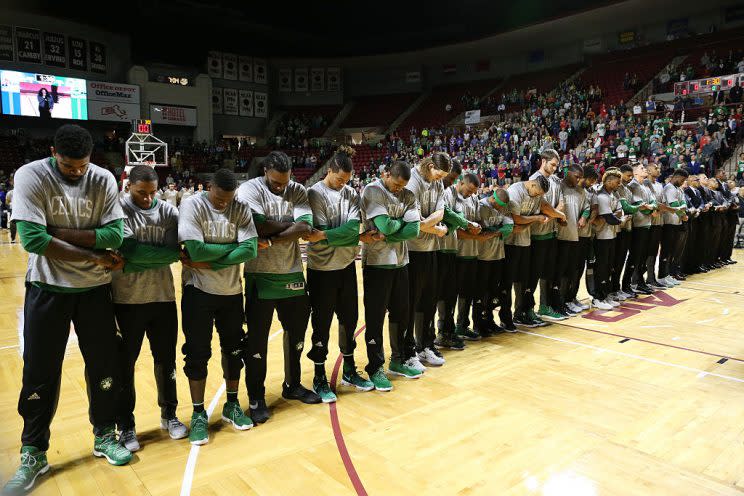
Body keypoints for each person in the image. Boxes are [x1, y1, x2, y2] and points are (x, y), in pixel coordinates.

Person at [4, 125, 132, 494]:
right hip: (47, 288)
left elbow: (115, 236)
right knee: (40, 370)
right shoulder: (30, 175)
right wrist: (93, 255)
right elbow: (31, 239)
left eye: (81, 166)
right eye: (67, 165)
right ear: (52, 152)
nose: (76, 172)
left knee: (104, 366)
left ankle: (104, 434)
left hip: (94, 291)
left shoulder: (103, 178)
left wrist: (54, 232)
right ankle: (33, 450)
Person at [109, 165, 187, 453]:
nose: (147, 198)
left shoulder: (168, 211)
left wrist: (131, 260)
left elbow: (177, 252)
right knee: (124, 365)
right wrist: (153, 255)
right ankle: (125, 425)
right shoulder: (117, 207)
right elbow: (128, 248)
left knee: (166, 361)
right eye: (141, 192)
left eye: (152, 192)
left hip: (163, 297)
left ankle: (170, 414)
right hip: (126, 300)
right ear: (128, 186)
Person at [239, 151, 321, 424]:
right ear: (265, 171)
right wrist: (290, 228)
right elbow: (258, 226)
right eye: (275, 182)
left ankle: (293, 384)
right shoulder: (249, 189)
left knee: (297, 333)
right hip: (259, 275)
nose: (280, 187)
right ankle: (256, 396)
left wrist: (274, 236)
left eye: (284, 182)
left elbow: (306, 227)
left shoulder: (297, 189)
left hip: (293, 273)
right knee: (256, 341)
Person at [179, 168, 259, 445]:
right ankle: (198, 413)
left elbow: (250, 249)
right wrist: (230, 249)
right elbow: (194, 250)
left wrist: (211, 260)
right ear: (208, 186)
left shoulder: (240, 207)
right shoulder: (192, 204)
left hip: (232, 292)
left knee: (235, 350)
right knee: (198, 353)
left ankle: (232, 405)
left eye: (229, 199)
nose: (224, 204)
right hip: (198, 291)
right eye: (219, 198)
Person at [304, 146, 378, 402]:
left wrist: (330, 235)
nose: (343, 184)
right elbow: (333, 234)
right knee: (321, 326)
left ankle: (348, 370)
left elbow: (347, 230)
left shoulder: (351, 194)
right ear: (329, 170)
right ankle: (319, 376)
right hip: (322, 271)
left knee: (349, 321)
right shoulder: (314, 193)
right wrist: (345, 236)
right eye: (339, 179)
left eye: (346, 180)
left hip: (346, 268)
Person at [360, 160, 421, 387]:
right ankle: (375, 367)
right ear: (386, 174)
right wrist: (398, 223)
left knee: (401, 313)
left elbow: (413, 230)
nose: (398, 190)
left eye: (402, 186)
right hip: (377, 263)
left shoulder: (408, 195)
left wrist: (390, 230)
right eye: (395, 184)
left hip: (401, 262)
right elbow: (383, 226)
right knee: (375, 318)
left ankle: (397, 360)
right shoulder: (373, 190)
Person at [404, 152, 451, 369]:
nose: (439, 179)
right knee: (411, 303)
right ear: (430, 166)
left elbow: (440, 212)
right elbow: (416, 224)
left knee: (429, 300)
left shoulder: (438, 183)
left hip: (431, 248)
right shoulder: (412, 181)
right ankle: (408, 350)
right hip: (412, 250)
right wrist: (436, 229)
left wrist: (431, 224)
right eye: (438, 174)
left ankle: (425, 345)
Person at [435, 160, 481, 349]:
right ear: (460, 182)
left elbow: (456, 222)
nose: (470, 194)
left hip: (452, 249)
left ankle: (450, 331)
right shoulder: (446, 193)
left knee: (451, 294)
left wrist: (464, 225)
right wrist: (465, 224)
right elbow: (445, 218)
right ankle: (441, 334)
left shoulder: (470, 199)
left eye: (473, 192)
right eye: (468, 190)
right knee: (443, 295)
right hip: (442, 248)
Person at [504, 174, 553, 328]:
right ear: (532, 184)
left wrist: (530, 220)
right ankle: (505, 318)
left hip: (525, 241)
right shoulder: (515, 191)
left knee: (522, 279)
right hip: (510, 242)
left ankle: (520, 314)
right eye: (537, 192)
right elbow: (516, 219)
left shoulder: (537, 193)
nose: (538, 197)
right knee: (508, 281)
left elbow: (527, 219)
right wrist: (536, 218)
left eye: (540, 195)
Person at [527, 149, 567, 323]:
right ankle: (526, 309)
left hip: (551, 232)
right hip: (536, 234)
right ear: (543, 161)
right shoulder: (533, 180)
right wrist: (556, 215)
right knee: (532, 275)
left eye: (557, 166)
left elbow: (562, 203)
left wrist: (553, 215)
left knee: (547, 274)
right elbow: (541, 205)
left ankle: (544, 306)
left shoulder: (556, 182)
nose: (555, 168)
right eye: (552, 164)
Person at [475, 188, 515, 333]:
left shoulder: (503, 207)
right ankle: (479, 324)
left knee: (493, 291)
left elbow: (509, 226)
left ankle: (489, 320)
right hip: (482, 256)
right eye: (500, 207)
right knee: (481, 292)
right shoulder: (480, 206)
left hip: (498, 255)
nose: (502, 210)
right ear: (493, 199)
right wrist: (497, 229)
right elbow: (481, 230)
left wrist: (495, 231)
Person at [554, 164, 588, 315]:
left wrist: (584, 217)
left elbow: (587, 207)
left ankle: (565, 301)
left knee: (569, 272)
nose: (579, 180)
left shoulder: (581, 191)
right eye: (576, 176)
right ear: (568, 173)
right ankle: (556, 304)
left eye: (580, 177)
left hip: (575, 236)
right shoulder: (558, 187)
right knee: (558, 274)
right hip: (560, 237)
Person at [567, 165, 598, 313]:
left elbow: (589, 209)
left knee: (579, 269)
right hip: (571, 236)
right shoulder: (569, 189)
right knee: (570, 270)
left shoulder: (586, 192)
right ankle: (566, 299)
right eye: (590, 180)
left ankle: (572, 297)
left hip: (584, 235)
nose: (592, 184)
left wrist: (586, 218)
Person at [592, 168, 623, 310]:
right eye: (617, 182)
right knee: (601, 267)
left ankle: (605, 295)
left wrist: (616, 215)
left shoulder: (613, 195)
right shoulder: (602, 196)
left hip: (612, 235)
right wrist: (621, 220)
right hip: (602, 236)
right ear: (608, 181)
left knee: (609, 267)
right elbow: (609, 218)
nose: (619, 184)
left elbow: (619, 211)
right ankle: (597, 297)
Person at [624, 163, 657, 295]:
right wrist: (649, 208)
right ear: (635, 172)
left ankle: (639, 281)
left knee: (643, 256)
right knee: (635, 256)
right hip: (637, 225)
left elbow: (653, 203)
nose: (645, 170)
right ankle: (631, 282)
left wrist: (650, 207)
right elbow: (639, 205)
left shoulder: (645, 186)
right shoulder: (633, 185)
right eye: (642, 168)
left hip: (647, 224)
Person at [658, 169, 689, 287]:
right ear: (676, 177)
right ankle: (661, 276)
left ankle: (667, 275)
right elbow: (674, 205)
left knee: (671, 251)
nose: (683, 182)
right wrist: (683, 215)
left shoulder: (678, 189)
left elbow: (684, 204)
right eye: (682, 180)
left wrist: (682, 211)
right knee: (665, 251)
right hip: (668, 223)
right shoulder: (669, 188)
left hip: (676, 223)